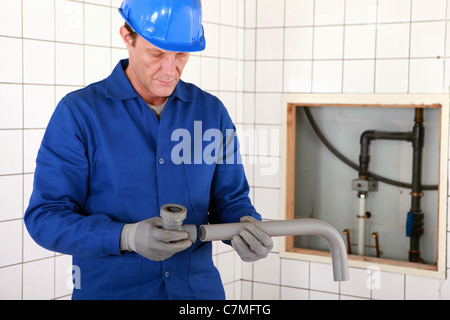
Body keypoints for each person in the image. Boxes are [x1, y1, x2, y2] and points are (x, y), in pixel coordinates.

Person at [24, 0, 273, 300]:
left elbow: (231, 202)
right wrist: (124, 236)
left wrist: (245, 228)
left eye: (181, 54)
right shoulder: (79, 114)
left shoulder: (213, 113)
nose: (170, 69)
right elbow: (46, 217)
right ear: (127, 38)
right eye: (156, 53)